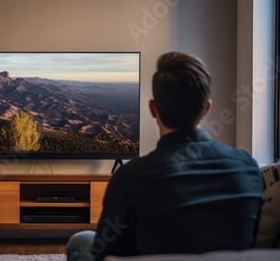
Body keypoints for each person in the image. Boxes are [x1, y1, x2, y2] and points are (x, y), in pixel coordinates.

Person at [66, 52, 264, 261]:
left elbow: (105, 252)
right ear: (206, 108)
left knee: (81, 240)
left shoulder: (130, 178)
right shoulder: (247, 168)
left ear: (153, 109)